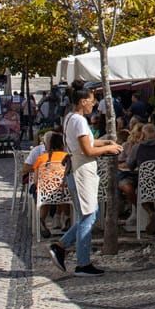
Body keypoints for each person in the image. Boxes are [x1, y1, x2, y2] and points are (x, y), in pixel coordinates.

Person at [49, 87, 123, 277]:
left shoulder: (70, 118)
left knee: (89, 214)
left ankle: (61, 246)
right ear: (82, 101)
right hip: (82, 171)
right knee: (88, 215)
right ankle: (81, 262)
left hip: (79, 170)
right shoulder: (80, 121)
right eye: (92, 100)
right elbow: (87, 151)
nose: (94, 103)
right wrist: (109, 150)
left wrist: (105, 142)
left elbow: (87, 144)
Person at [120, 124, 155, 233]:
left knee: (136, 189)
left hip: (145, 186)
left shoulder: (137, 148)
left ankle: (150, 212)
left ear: (142, 135)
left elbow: (130, 165)